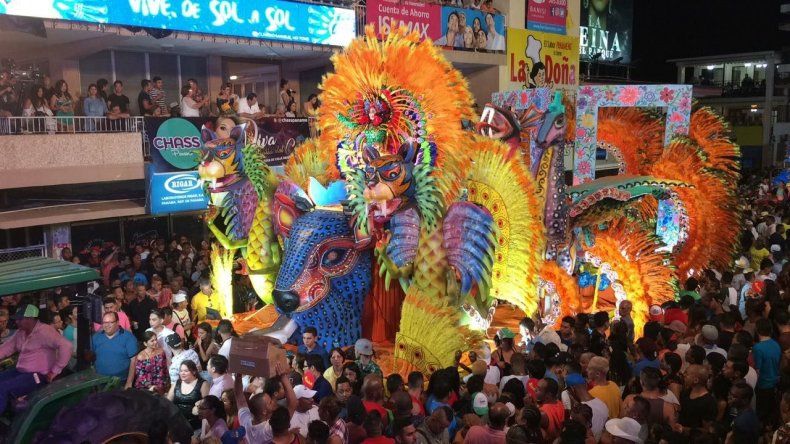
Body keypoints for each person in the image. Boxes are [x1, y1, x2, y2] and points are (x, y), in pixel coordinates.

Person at [0, 304, 72, 414]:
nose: (16, 322)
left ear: (30, 319)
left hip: (38, 375)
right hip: (21, 372)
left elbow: (66, 346)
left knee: (2, 388)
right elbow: (6, 348)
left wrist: (55, 370)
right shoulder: (21, 332)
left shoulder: (45, 331)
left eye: (20, 319)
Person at [235, 362, 298, 443]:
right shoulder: (268, 429)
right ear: (264, 411)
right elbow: (293, 403)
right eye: (270, 402)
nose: (273, 402)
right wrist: (283, 376)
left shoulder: (245, 421)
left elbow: (239, 396)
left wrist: (238, 374)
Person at [92, 311, 138, 382]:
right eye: (105, 322)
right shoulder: (96, 337)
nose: (107, 325)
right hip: (100, 381)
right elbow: (91, 358)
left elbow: (134, 361)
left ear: (117, 323)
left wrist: (129, 382)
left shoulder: (128, 337)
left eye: (110, 322)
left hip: (121, 381)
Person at [563, 372, 608, 441]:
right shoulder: (603, 404)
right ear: (585, 385)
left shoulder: (578, 413)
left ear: (572, 389)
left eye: (568, 391)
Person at [752, 318, 780, 427]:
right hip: (774, 383)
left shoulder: (758, 348)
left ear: (757, 330)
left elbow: (757, 370)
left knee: (760, 413)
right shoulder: (776, 344)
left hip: (762, 384)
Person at [675, 364, 716, 436]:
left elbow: (707, 430)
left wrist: (685, 429)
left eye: (686, 374)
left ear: (696, 380)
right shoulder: (686, 392)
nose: (683, 375)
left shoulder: (708, 402)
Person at [167, 359, 209, 430]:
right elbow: (167, 402)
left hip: (195, 425)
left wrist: (199, 407)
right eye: (181, 371)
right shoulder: (176, 384)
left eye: (186, 371)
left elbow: (208, 404)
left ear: (194, 372)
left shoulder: (203, 384)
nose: (182, 373)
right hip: (178, 424)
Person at [535, 377, 565, 442]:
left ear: (548, 395)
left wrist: (528, 407)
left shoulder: (542, 413)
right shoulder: (559, 403)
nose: (535, 390)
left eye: (539, 389)